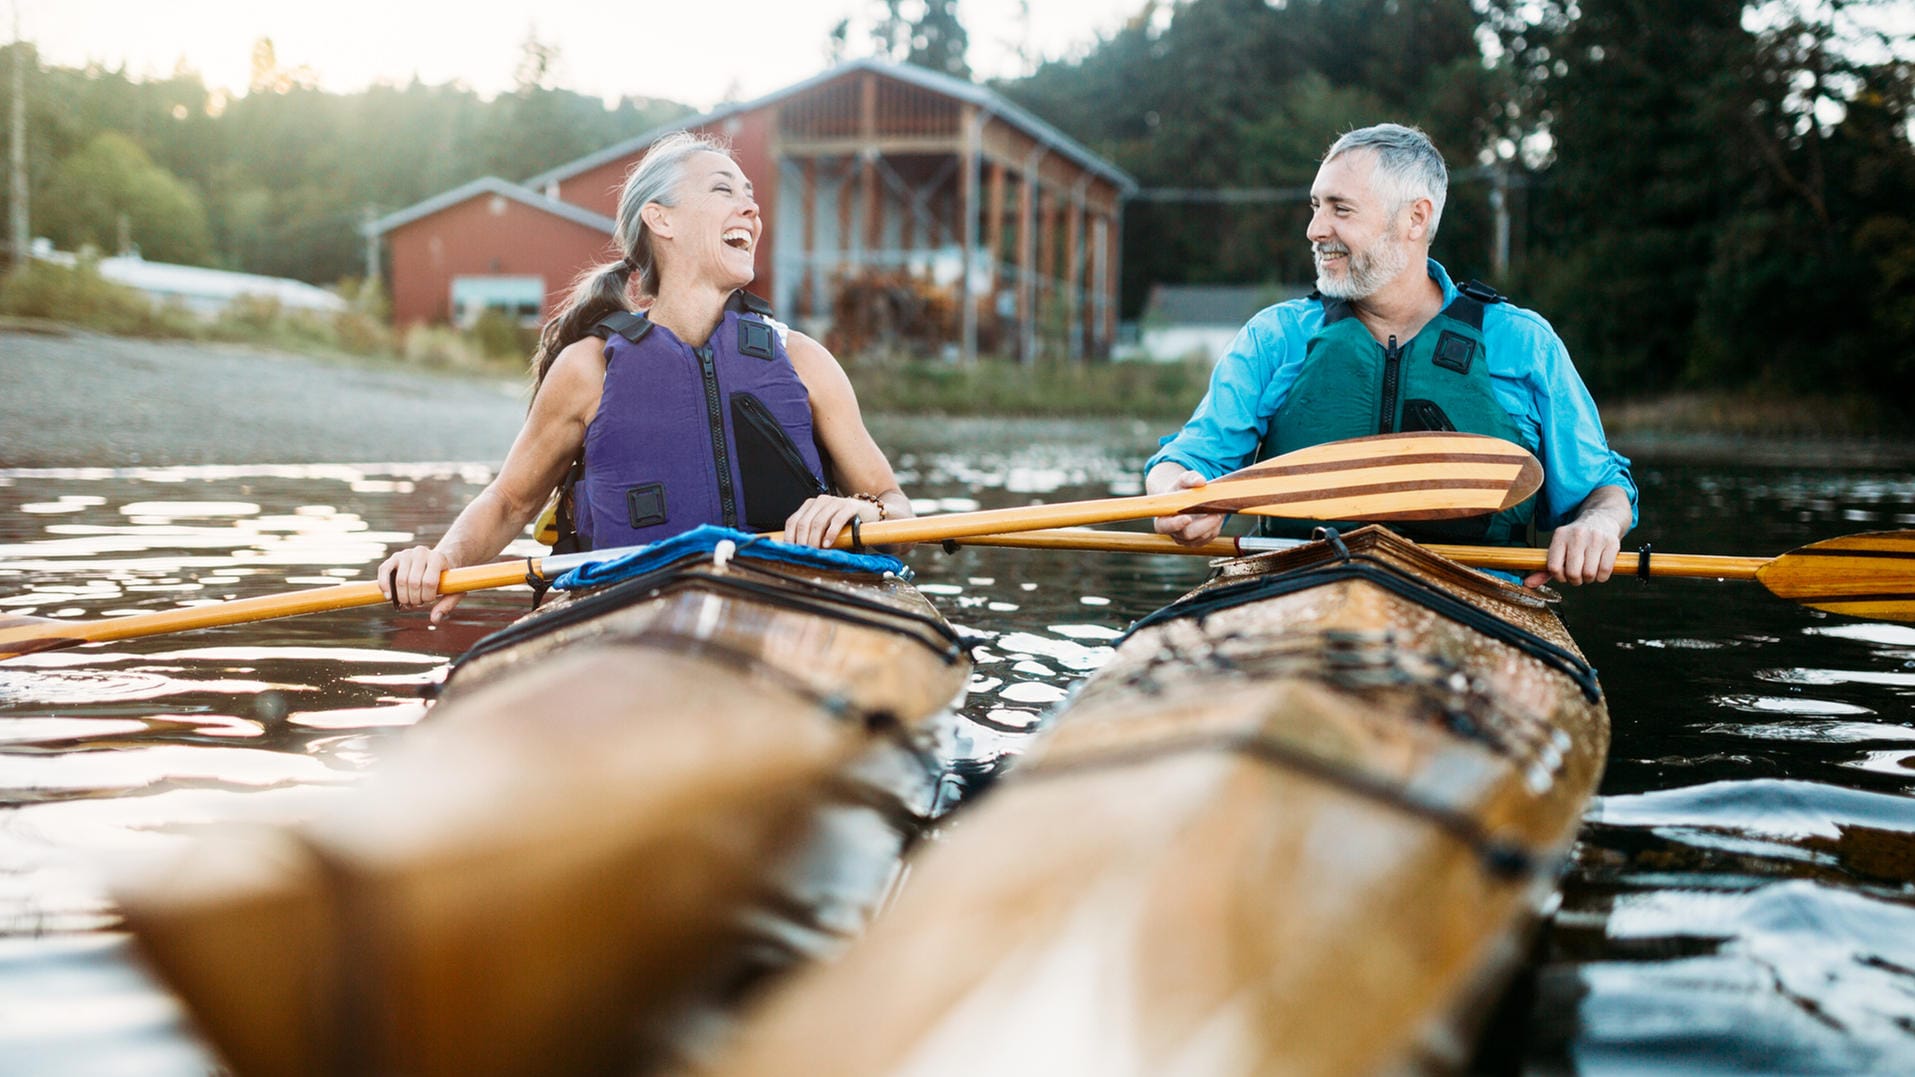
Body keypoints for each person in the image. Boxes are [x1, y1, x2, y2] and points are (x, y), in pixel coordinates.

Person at [378, 131, 911, 621]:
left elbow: (896, 509)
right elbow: (509, 502)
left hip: (792, 606)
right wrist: (443, 557)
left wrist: (861, 508)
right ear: (661, 220)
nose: (752, 208)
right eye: (724, 190)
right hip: (630, 610)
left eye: (750, 195)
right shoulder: (589, 368)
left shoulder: (802, 359)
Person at [1147, 123, 1636, 587]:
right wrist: (1175, 494)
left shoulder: (1523, 343)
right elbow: (1187, 459)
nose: (1316, 229)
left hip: (1474, 595)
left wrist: (1598, 524)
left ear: (1415, 218)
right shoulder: (1276, 337)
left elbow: (1602, 489)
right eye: (1316, 206)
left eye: (1341, 209)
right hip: (1295, 588)